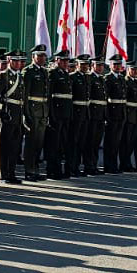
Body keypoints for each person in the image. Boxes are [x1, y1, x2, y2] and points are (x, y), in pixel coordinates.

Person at [0, 50, 27, 184]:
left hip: (17, 116)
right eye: (15, 61)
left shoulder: (20, 77)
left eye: (20, 61)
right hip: (6, 115)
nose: (18, 63)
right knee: (4, 146)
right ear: (9, 61)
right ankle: (3, 174)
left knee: (14, 146)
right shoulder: (3, 76)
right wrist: (0, 113)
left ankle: (11, 172)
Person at [21, 45, 50, 181]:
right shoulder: (28, 71)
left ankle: (36, 169)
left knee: (39, 143)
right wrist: (26, 115)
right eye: (39, 55)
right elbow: (25, 96)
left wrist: (47, 113)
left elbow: (46, 95)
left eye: (44, 56)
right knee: (31, 143)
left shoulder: (45, 72)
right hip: (32, 112)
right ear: (33, 57)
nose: (42, 58)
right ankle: (29, 170)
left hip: (42, 112)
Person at [45, 50, 73, 179]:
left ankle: (58, 169)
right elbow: (49, 96)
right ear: (57, 61)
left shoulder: (66, 75)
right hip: (56, 114)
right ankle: (52, 170)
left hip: (65, 114)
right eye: (63, 60)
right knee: (53, 144)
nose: (66, 63)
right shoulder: (53, 74)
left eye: (67, 61)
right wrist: (51, 114)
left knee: (62, 143)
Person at [101, 55, 127, 173]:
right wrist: (106, 116)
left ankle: (114, 165)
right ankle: (108, 165)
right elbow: (105, 99)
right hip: (112, 114)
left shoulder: (122, 78)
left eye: (119, 64)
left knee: (117, 142)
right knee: (110, 142)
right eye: (115, 64)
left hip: (121, 114)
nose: (117, 66)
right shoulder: (108, 78)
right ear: (110, 65)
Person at [119, 63, 137, 172]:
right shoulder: (126, 82)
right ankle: (124, 163)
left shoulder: (136, 82)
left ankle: (128, 163)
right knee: (125, 142)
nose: (135, 72)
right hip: (128, 115)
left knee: (131, 142)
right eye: (133, 70)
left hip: (136, 116)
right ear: (128, 70)